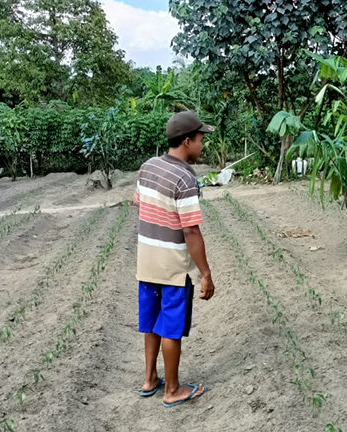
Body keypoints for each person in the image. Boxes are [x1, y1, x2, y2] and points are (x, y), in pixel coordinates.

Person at [133, 111, 216, 407]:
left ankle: (149, 379)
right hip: (172, 268)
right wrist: (205, 273)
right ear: (187, 141)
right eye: (201, 139)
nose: (202, 145)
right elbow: (191, 231)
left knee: (152, 323)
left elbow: (139, 203)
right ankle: (172, 390)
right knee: (170, 327)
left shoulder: (147, 167)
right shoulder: (185, 178)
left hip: (146, 263)